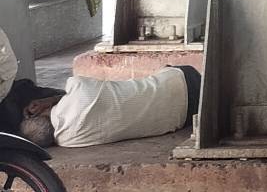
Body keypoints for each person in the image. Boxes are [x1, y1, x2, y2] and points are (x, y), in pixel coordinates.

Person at [15, 65, 202, 150]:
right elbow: (71, 89)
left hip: (184, 118)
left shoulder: (69, 141)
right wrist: (50, 100)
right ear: (38, 114)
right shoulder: (80, 92)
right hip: (181, 81)